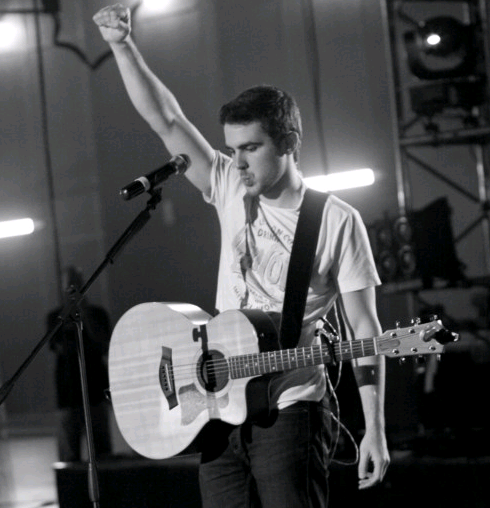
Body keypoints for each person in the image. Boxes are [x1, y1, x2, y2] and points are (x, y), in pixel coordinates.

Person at [93, 4, 390, 506]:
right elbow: (166, 119)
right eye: (232, 149)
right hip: (217, 404)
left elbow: (366, 329)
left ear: (288, 142)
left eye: (250, 148)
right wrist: (122, 45)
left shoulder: (336, 220)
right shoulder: (229, 184)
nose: (238, 163)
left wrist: (375, 429)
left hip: (288, 405)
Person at [47, 266, 112, 462]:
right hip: (68, 395)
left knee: (103, 455)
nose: (72, 289)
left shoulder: (98, 314)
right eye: (69, 285)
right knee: (69, 458)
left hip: (96, 393)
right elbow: (60, 347)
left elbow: (103, 344)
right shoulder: (55, 318)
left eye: (76, 284)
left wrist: (85, 313)